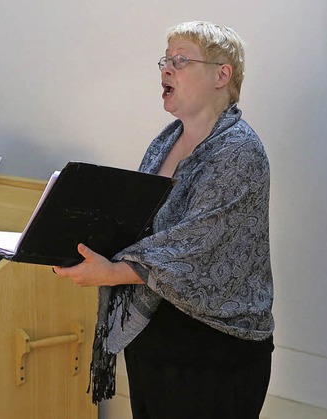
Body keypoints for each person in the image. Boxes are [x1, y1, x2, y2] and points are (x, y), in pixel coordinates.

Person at [54, 21, 274, 419]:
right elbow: (142, 228)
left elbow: (195, 246)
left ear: (222, 75)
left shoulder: (240, 150)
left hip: (215, 347)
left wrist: (111, 272)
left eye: (180, 60)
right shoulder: (165, 141)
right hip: (155, 333)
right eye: (164, 61)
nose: (165, 70)